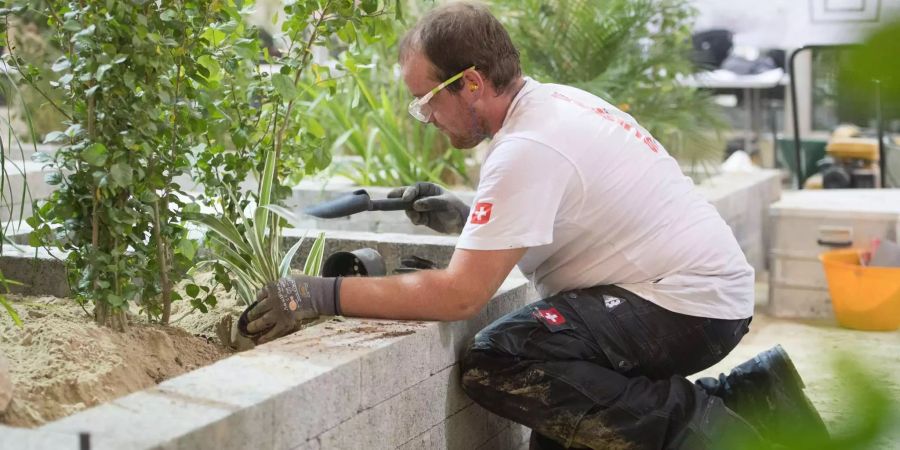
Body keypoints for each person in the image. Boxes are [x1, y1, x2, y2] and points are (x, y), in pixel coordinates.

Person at [242, 2, 830, 448]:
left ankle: (726, 429)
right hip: (688, 291)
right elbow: (566, 212)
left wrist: (318, 295)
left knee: (505, 359)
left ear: (470, 83)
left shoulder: (529, 145)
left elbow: (460, 295)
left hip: (683, 303)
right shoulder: (554, 104)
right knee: (565, 428)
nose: (424, 119)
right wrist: (468, 218)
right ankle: (758, 394)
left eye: (425, 102)